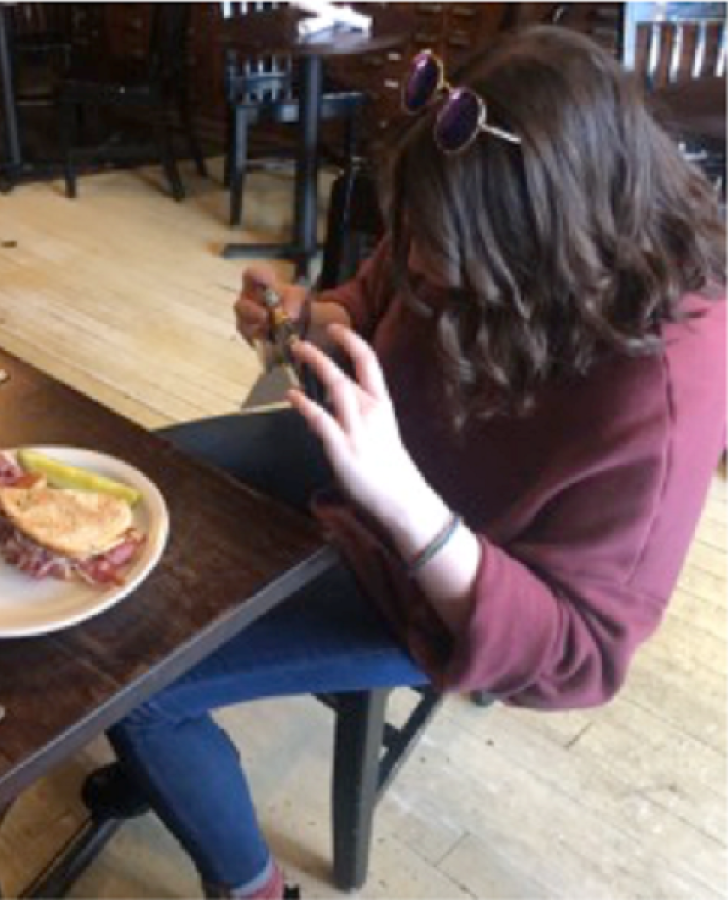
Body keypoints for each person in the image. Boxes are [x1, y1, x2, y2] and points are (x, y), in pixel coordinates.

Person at [105, 26, 726, 899]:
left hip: (438, 579)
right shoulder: (476, 208)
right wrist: (309, 319)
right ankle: (170, 768)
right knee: (146, 484)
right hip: (369, 465)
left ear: (547, 248)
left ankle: (254, 885)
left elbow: (579, 657)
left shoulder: (660, 387)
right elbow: (382, 291)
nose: (421, 266)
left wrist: (404, 504)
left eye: (450, 263)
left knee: (140, 688)